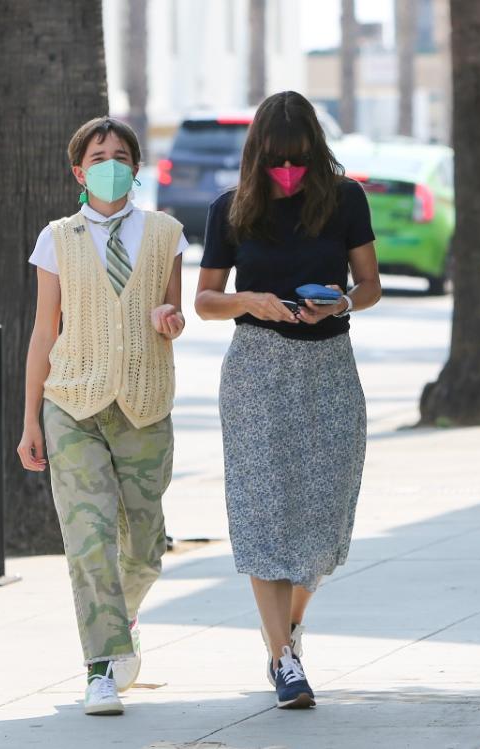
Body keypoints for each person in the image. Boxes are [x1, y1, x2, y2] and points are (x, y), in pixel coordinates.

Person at [195, 91, 381, 709]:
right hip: (256, 371)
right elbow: (205, 300)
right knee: (263, 514)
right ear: (258, 155)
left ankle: (290, 627)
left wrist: (343, 300)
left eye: (298, 158)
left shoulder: (344, 198)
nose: (288, 171)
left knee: (324, 525)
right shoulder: (232, 208)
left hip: (329, 367)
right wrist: (251, 301)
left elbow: (372, 285)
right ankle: (283, 660)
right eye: (277, 159)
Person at [17, 116, 187, 716]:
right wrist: (31, 420)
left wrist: (170, 318)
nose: (110, 163)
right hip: (73, 404)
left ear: (136, 168)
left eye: (120, 154)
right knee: (88, 539)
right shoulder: (57, 238)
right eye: (98, 155)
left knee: (143, 549)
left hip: (144, 404)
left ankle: (123, 616)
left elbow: (173, 310)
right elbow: (44, 333)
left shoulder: (166, 233)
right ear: (79, 171)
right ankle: (100, 668)